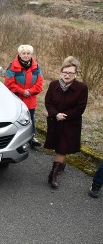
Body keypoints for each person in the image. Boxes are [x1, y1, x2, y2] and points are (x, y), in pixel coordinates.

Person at [44, 56, 88, 189]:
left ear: (75, 74)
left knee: (62, 148)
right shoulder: (53, 85)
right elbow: (48, 102)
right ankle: (61, 165)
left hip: (70, 124)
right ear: (61, 72)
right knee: (59, 147)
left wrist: (65, 116)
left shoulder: (82, 88)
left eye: (70, 73)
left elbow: (81, 107)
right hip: (55, 121)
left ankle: (53, 175)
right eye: (65, 72)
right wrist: (55, 114)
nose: (67, 75)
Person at [5, 44, 44, 147]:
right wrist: (22, 91)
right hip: (17, 99)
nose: (26, 55)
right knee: (16, 119)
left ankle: (32, 137)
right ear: (19, 54)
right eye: (24, 53)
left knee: (30, 118)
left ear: (31, 54)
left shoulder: (36, 67)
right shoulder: (12, 67)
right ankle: (14, 139)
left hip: (30, 100)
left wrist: (30, 91)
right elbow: (9, 84)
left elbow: (39, 84)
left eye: (28, 53)